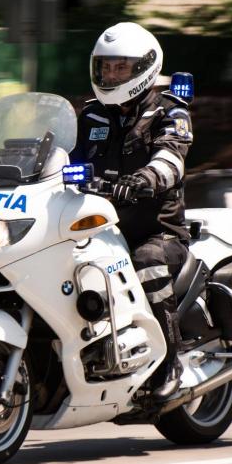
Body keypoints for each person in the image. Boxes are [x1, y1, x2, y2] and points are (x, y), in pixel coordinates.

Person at [70, 22, 192, 400]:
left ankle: (170, 363)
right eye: (105, 67)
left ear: (144, 68)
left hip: (156, 230)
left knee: (148, 261)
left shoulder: (169, 112)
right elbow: (58, 157)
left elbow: (172, 158)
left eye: (119, 68)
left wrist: (143, 180)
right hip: (98, 228)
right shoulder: (89, 116)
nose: (110, 75)